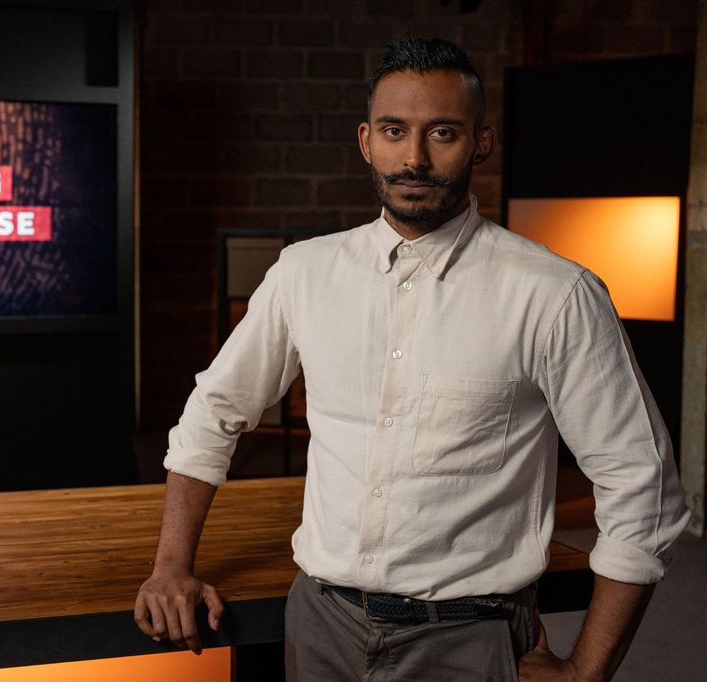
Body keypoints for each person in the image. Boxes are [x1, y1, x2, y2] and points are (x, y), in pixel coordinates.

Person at [134, 37, 690, 681]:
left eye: (443, 133)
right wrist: (171, 564)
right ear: (367, 140)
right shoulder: (304, 273)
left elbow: (641, 484)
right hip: (319, 622)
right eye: (395, 132)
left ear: (481, 143)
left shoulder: (555, 294)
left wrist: (586, 673)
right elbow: (213, 413)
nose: (414, 158)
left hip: (470, 637)